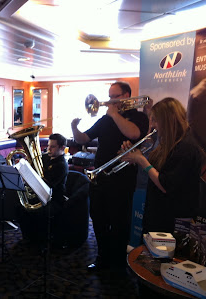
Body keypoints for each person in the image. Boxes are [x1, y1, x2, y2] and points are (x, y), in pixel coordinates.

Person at [71, 82, 149, 273]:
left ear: (127, 95)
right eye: (109, 96)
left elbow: (134, 133)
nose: (110, 101)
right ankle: (102, 258)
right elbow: (83, 138)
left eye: (115, 96)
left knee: (120, 222)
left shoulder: (139, 117)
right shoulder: (105, 119)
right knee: (98, 219)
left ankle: (118, 263)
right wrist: (74, 127)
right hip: (100, 178)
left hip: (122, 181)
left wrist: (114, 114)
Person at [121, 97, 204, 234]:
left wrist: (142, 160)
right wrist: (134, 156)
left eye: (155, 120)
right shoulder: (168, 143)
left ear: (167, 120)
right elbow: (155, 170)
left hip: (172, 220)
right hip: (158, 213)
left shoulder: (186, 148)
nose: (152, 125)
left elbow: (165, 184)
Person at [17, 133, 69, 243]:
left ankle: (40, 240)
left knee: (38, 212)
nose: (48, 149)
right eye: (48, 145)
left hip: (54, 198)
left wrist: (31, 176)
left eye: (52, 146)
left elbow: (48, 185)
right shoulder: (45, 157)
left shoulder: (62, 165)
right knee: (20, 206)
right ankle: (28, 237)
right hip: (40, 193)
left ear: (62, 148)